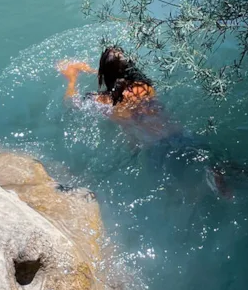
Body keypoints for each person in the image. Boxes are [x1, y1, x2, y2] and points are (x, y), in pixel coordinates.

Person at [57, 46, 232, 194]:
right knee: (212, 162)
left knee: (181, 189)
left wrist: (72, 78)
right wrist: (96, 71)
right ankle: (220, 180)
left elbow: (71, 104)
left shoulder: (103, 101)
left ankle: (204, 191)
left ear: (106, 75)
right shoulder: (145, 87)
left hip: (156, 148)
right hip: (179, 134)